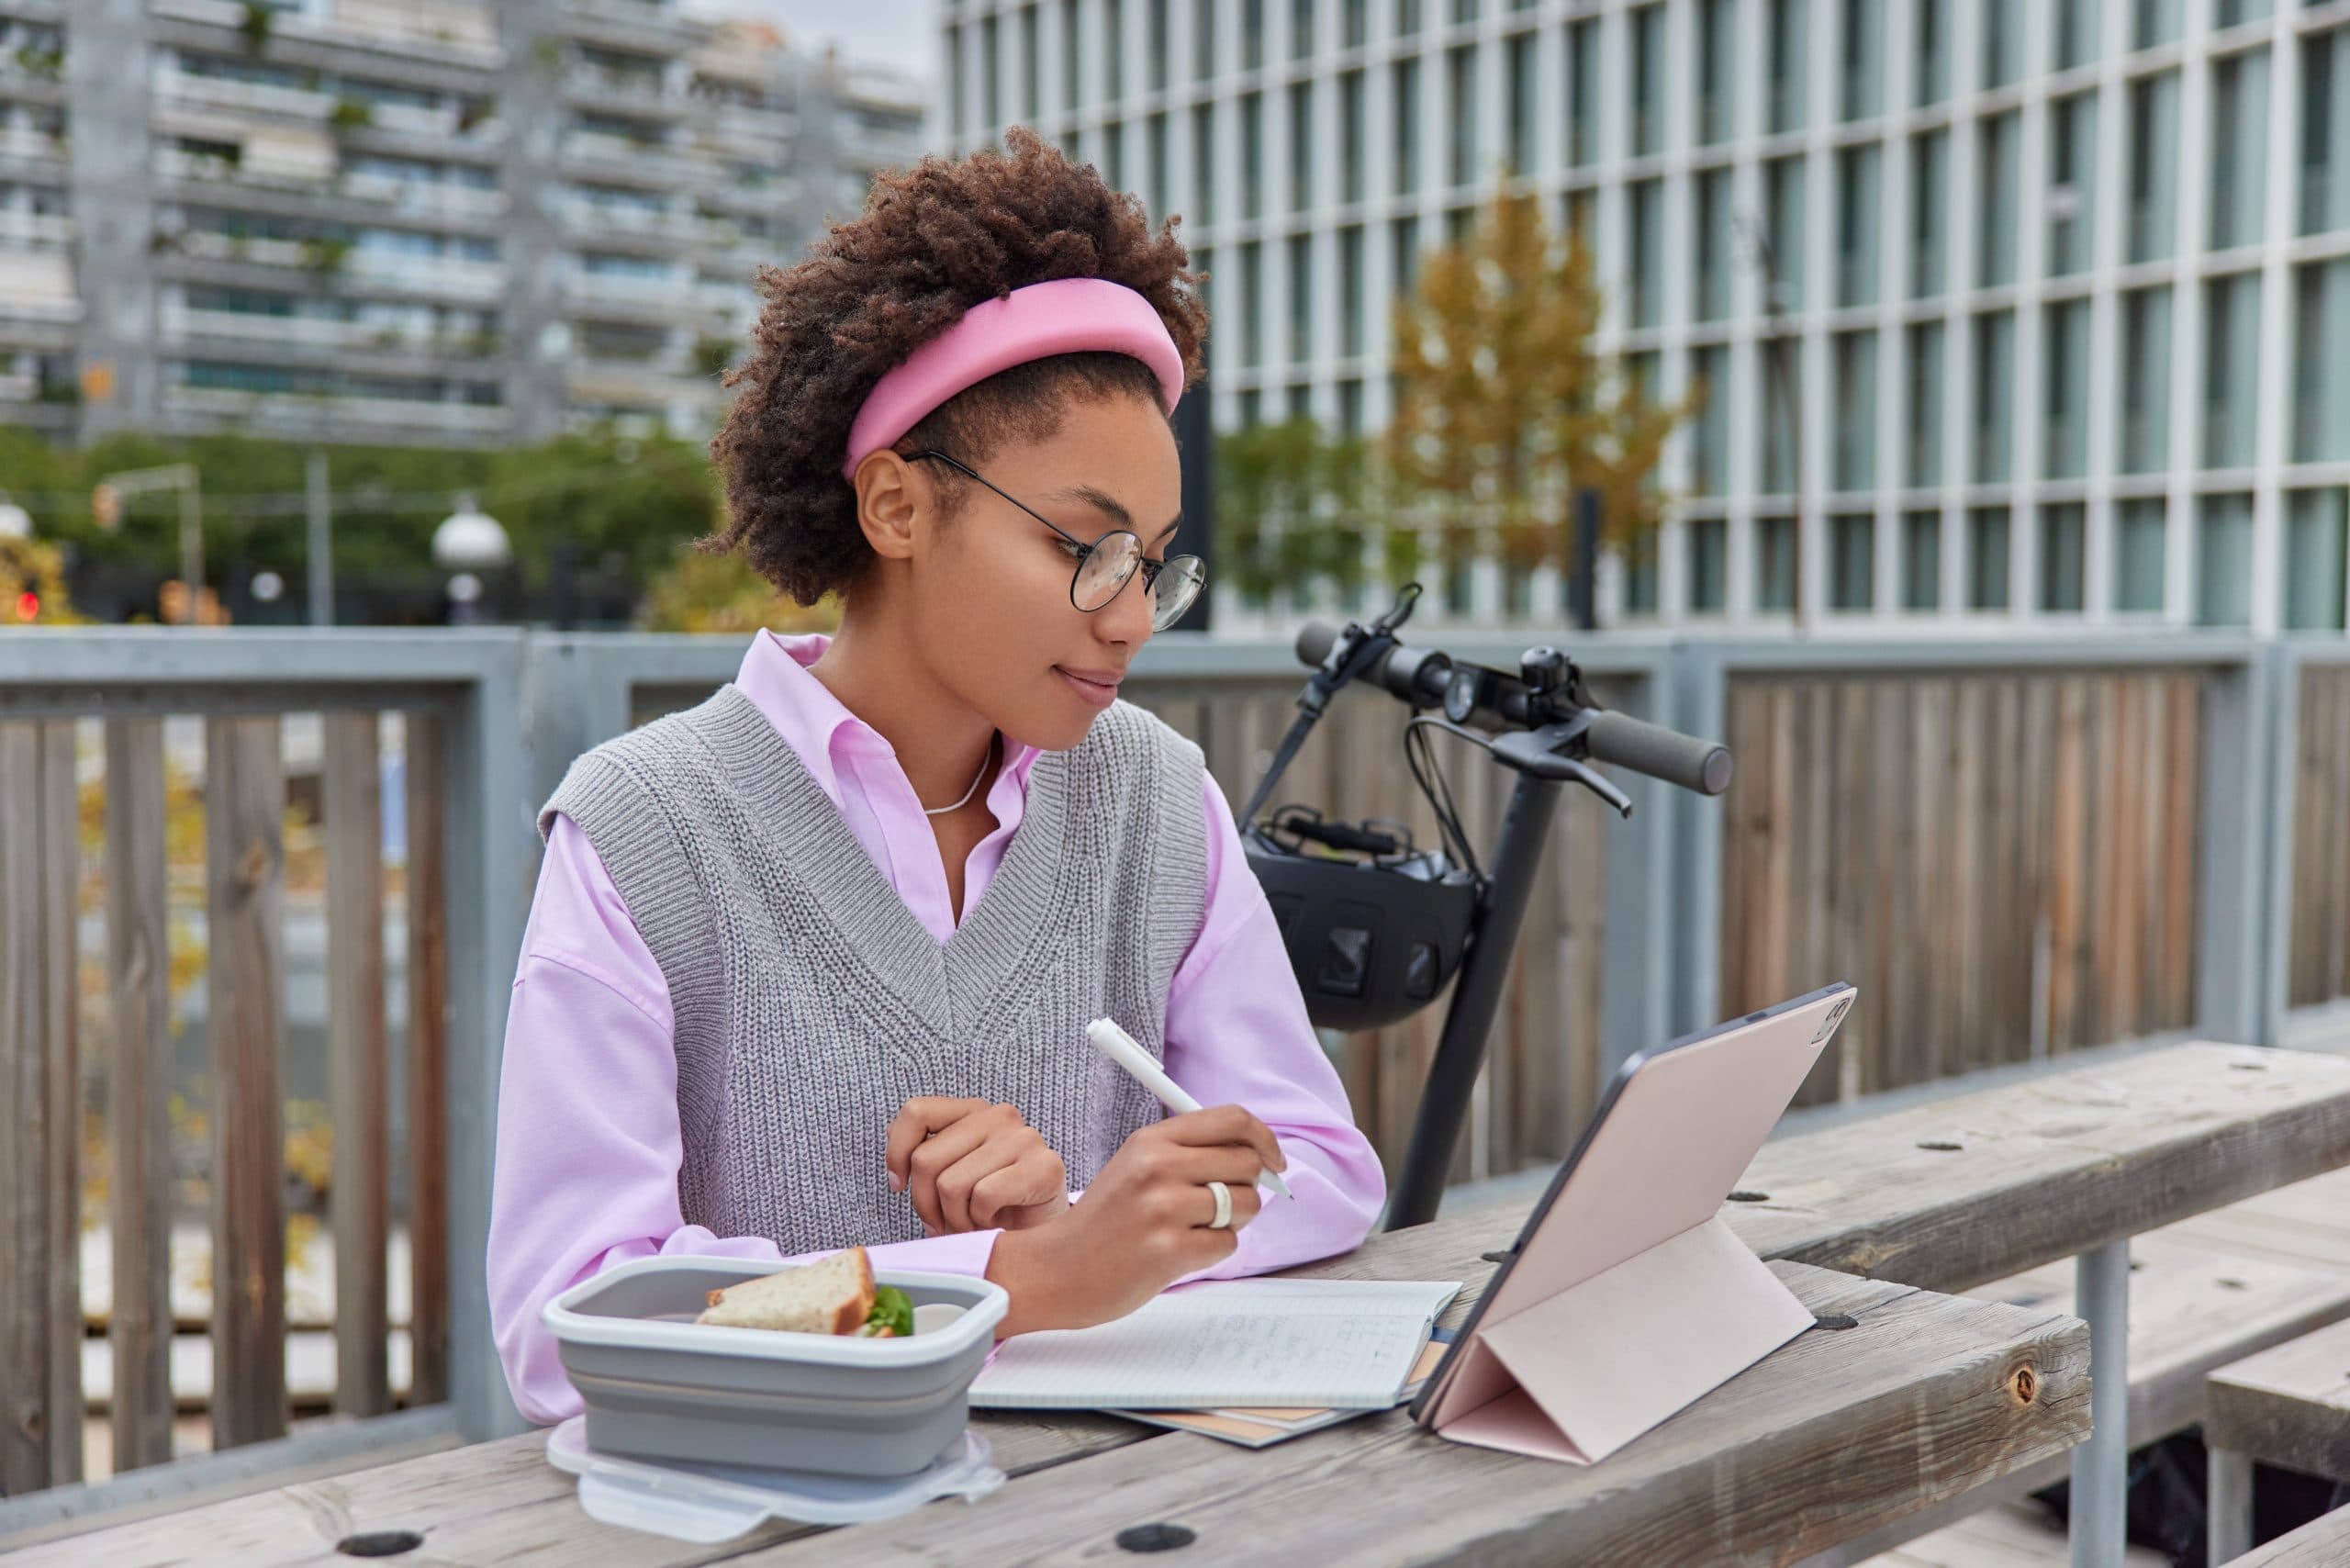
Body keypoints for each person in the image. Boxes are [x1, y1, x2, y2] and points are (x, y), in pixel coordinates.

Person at [486, 130, 1386, 1425]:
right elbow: (571, 1321)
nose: (1131, 617)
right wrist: (1013, 1280)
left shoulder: (1154, 797)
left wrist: (1089, 1221)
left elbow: (1318, 1170)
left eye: (1158, 562)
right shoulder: (644, 832)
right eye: (1087, 547)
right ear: (898, 507)